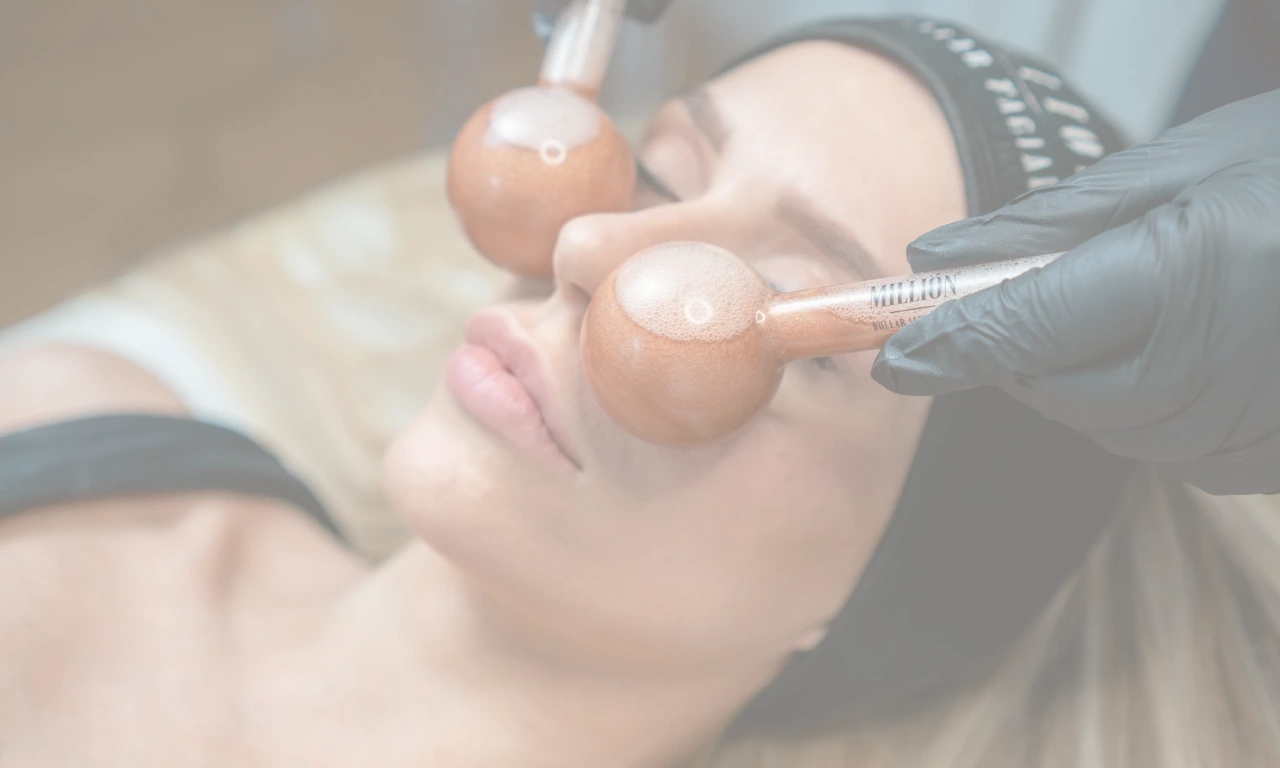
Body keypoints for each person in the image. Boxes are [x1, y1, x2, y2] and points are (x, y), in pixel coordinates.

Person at [2, 15, 1278, 768]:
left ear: (878, 591)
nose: (586, 250)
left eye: (766, 316)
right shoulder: (75, 410)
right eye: (657, 175)